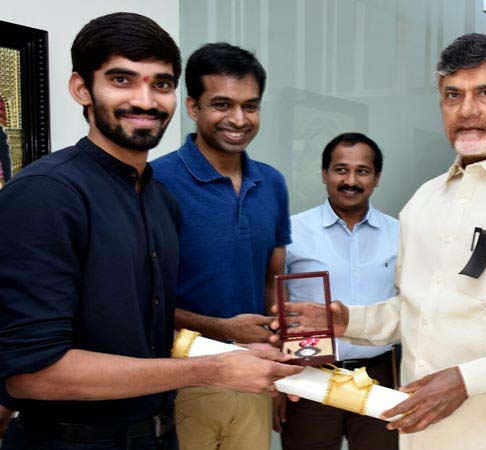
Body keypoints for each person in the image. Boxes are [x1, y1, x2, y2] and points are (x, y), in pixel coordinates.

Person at [274, 33, 486, 450]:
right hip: (418, 436)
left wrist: (467, 381)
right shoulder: (424, 201)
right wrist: (345, 320)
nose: (467, 111)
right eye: (452, 95)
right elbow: (417, 311)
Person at [0, 14, 301, 450]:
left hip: (158, 434)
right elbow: (33, 374)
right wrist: (214, 367)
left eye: (160, 84)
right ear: (82, 88)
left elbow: (148, 327)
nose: (146, 100)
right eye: (122, 79)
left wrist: (263, 355)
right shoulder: (45, 194)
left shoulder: (158, 199)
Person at [152, 43, 291, 450]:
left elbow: (274, 279)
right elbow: (142, 300)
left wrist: (278, 362)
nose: (238, 119)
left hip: (254, 374)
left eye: (251, 106)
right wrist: (221, 329)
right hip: (181, 377)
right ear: (193, 108)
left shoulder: (273, 183)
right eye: (222, 104)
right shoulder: (156, 182)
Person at [276, 132, 399, 450]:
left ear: (377, 177)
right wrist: (277, 381)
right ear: (324, 173)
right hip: (310, 374)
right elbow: (274, 306)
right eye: (341, 169)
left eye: (362, 171)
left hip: (378, 377)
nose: (351, 181)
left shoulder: (399, 234)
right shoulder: (293, 232)